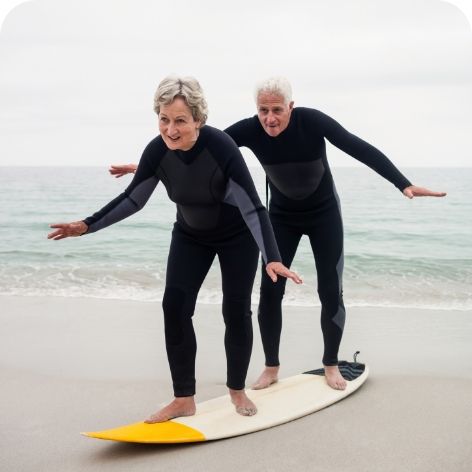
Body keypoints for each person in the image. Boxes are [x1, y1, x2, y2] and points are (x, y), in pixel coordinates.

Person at [108, 77, 446, 392]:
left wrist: (402, 182)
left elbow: (358, 147)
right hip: (280, 217)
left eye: (277, 110)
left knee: (330, 288)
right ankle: (271, 366)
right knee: (270, 292)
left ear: (291, 107)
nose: (269, 118)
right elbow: (195, 150)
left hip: (324, 215)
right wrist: (147, 166)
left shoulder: (312, 122)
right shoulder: (249, 130)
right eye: (263, 110)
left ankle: (330, 363)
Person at [48, 76, 302, 423]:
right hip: (190, 235)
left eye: (180, 120)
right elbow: (133, 199)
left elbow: (253, 208)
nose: (170, 129)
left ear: (197, 119)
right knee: (175, 307)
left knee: (236, 311)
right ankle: (184, 398)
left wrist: (271, 256)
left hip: (236, 238)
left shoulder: (221, 148)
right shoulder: (157, 151)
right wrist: (87, 225)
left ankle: (236, 390)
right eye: (164, 119)